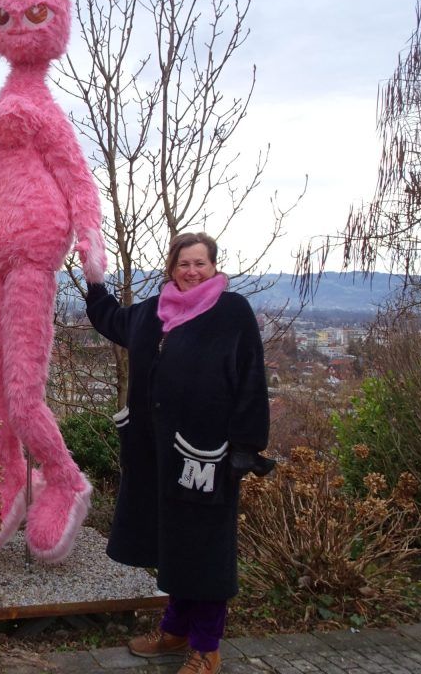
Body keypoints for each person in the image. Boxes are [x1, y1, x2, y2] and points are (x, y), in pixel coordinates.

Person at [85, 232, 274, 674]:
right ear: (171, 268)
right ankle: (175, 630)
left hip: (207, 457)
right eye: (184, 264)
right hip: (157, 454)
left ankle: (206, 647)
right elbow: (110, 318)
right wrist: (94, 277)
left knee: (205, 548)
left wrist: (246, 446)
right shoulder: (153, 312)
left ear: (214, 267)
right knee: (174, 543)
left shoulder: (232, 312)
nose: (192, 271)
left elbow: (250, 379)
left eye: (200, 264)